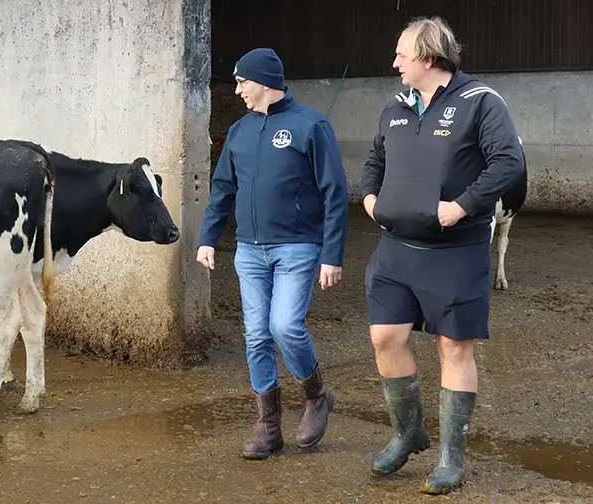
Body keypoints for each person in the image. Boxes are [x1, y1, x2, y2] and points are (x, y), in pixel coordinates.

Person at [359, 17, 525, 495]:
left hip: (456, 250)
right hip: (397, 250)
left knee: (453, 347)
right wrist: (370, 199)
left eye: (401, 56)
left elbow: (508, 163)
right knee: (385, 337)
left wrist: (462, 206)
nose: (393, 64)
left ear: (429, 59)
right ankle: (408, 432)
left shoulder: (480, 104)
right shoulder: (395, 107)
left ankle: (452, 457)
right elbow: (375, 160)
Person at [198, 47, 349, 460]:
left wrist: (331, 254)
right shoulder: (239, 131)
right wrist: (207, 237)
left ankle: (317, 396)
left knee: (284, 326)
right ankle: (267, 426)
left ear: (264, 81)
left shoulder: (310, 126)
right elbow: (223, 189)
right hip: (248, 250)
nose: (237, 90)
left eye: (241, 82)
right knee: (256, 335)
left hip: (298, 247)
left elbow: (335, 192)